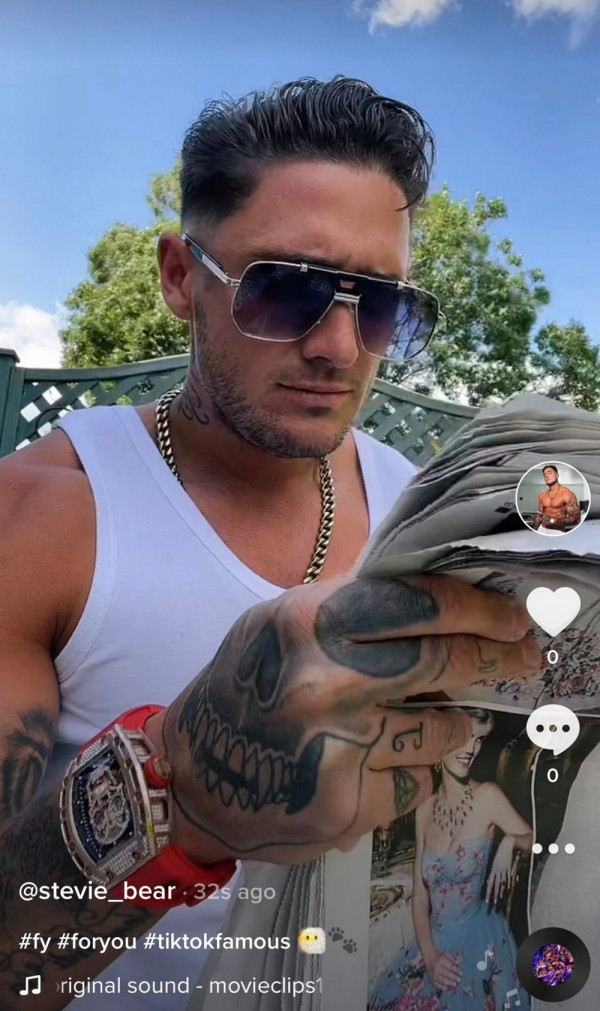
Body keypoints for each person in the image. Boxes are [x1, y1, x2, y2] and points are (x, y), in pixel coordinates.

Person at [0, 76, 539, 1011]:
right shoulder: (43, 519)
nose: (340, 346)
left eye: (381, 305)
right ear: (181, 278)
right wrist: (180, 796)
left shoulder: (425, 511)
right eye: (286, 290)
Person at [369, 709, 533, 1010]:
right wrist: (431, 958)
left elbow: (535, 842)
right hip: (433, 945)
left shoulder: (488, 797)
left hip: (479, 941)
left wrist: (511, 841)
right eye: (464, 737)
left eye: (479, 739)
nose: (472, 748)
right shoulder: (424, 809)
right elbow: (420, 898)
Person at [532, 464, 581, 533]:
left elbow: (576, 518)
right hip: (542, 529)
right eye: (544, 475)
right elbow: (539, 517)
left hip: (557, 532)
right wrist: (533, 531)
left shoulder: (567, 494)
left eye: (550, 473)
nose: (546, 476)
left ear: (557, 475)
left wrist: (552, 521)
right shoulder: (542, 495)